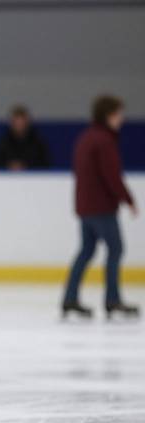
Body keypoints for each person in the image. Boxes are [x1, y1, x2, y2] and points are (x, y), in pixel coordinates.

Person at [61, 95, 140, 319]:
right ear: (109, 115)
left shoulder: (86, 137)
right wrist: (129, 199)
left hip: (86, 207)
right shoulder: (104, 141)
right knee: (115, 249)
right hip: (101, 207)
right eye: (118, 114)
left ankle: (70, 299)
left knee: (86, 251)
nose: (121, 119)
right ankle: (112, 300)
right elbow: (111, 176)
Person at [0, 104, 50, 170]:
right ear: (12, 123)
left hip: (33, 178)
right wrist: (9, 166)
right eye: (17, 122)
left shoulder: (37, 143)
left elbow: (45, 164)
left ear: (27, 122)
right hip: (8, 178)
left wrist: (26, 166)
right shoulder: (3, 143)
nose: (19, 126)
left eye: (22, 122)